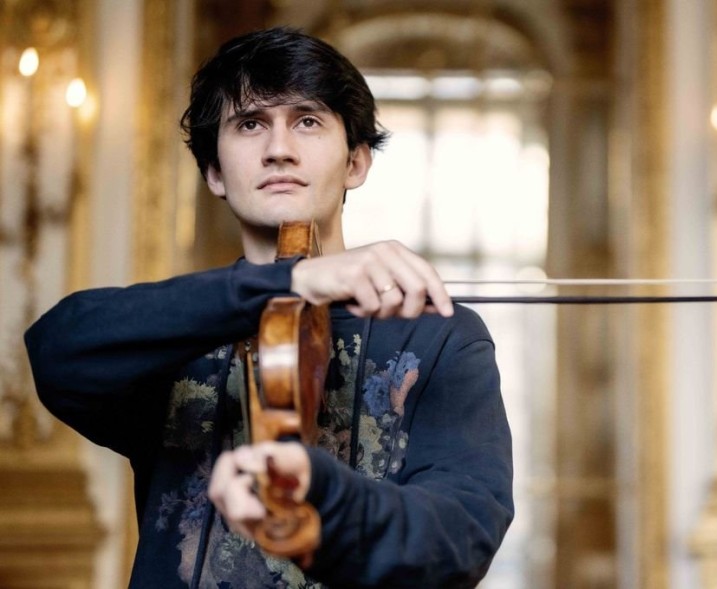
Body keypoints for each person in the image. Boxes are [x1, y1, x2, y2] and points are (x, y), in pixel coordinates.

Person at [24, 27, 513, 588]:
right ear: (214, 173)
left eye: (307, 121)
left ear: (356, 162)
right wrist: (291, 280)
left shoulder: (439, 335)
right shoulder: (177, 329)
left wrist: (321, 491)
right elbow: (57, 349)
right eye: (250, 124)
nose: (279, 148)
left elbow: (459, 534)